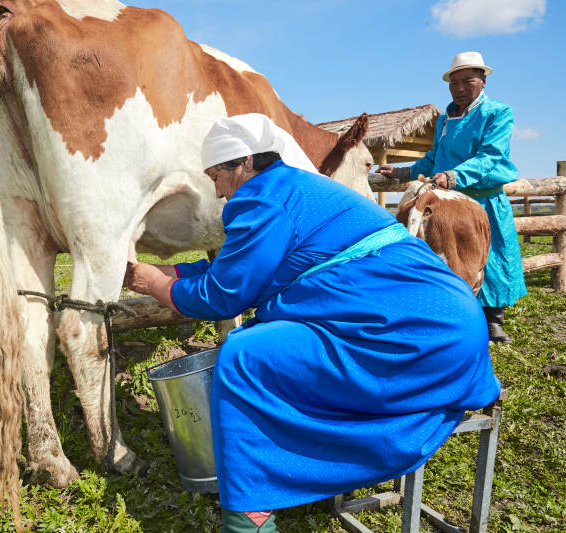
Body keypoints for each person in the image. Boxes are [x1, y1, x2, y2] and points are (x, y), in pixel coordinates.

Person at [124, 113, 501, 533]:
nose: (216, 189)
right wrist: (169, 273)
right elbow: (239, 268)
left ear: (245, 163)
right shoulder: (292, 189)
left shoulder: (260, 198)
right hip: (449, 328)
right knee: (269, 347)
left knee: (242, 358)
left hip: (413, 336)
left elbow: (224, 294)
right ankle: (293, 469)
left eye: (217, 175)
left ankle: (250, 514)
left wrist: (154, 283)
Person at [377, 51, 526, 343]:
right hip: (449, 202)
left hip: (482, 198)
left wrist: (454, 176)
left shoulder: (497, 112)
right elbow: (434, 159)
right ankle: (454, 312)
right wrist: (403, 172)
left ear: (482, 81)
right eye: (453, 82)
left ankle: (494, 320)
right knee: (448, 255)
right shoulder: (446, 118)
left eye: (466, 80)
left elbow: (491, 156)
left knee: (490, 256)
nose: (458, 88)